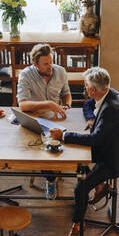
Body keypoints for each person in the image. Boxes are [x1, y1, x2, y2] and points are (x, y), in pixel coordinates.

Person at [50, 66, 119, 236]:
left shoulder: (111, 109)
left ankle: (78, 224)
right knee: (81, 165)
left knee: (80, 187)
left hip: (115, 159)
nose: (84, 90)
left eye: (86, 87)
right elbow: (88, 105)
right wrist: (91, 118)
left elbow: (94, 139)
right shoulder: (110, 93)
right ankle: (101, 186)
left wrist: (64, 135)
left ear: (93, 90)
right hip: (108, 148)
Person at [17, 43, 72, 200]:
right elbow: (23, 105)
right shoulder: (26, 75)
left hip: (56, 118)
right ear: (35, 65)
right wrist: (48, 104)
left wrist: (67, 104)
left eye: (51, 62)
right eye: (46, 64)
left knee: (69, 143)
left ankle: (67, 172)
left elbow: (66, 94)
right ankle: (50, 179)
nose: (50, 66)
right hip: (35, 120)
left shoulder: (60, 71)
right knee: (43, 148)